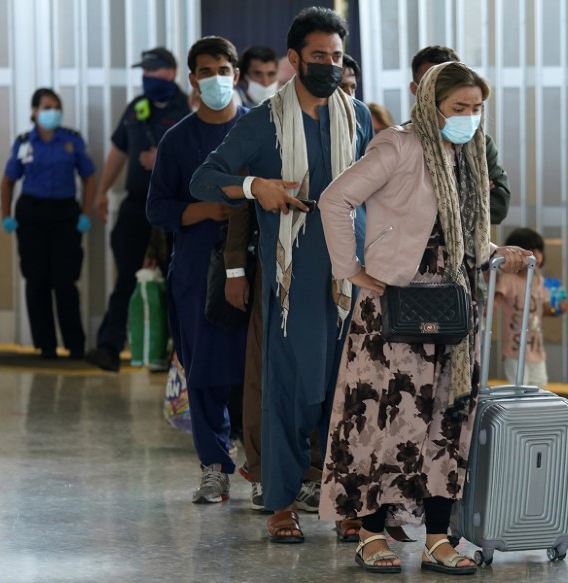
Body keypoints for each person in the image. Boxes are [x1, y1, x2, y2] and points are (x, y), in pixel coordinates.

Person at [318, 60, 531, 575]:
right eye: (460, 108)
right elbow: (334, 198)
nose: (470, 118)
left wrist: (496, 253)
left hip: (454, 302)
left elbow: (465, 233)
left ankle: (438, 536)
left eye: (477, 108)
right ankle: (370, 533)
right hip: (395, 303)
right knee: (384, 416)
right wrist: (351, 268)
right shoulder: (398, 144)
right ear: (432, 104)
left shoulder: (470, 153)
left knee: (447, 419)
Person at [190, 6, 372, 543]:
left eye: (336, 57)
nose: (329, 66)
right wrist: (255, 188)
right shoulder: (263, 121)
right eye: (319, 56)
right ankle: (283, 502)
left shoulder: (357, 116)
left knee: (347, 393)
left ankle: (345, 503)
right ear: (294, 59)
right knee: (293, 393)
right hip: (294, 280)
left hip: (350, 279)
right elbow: (205, 179)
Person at [146, 36, 249, 504]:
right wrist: (206, 210)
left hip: (254, 264)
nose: (215, 79)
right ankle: (214, 466)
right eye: (205, 72)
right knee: (205, 367)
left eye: (223, 70)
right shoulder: (177, 139)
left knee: (254, 369)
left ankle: (265, 466)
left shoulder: (257, 129)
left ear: (237, 74)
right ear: (192, 79)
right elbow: (158, 208)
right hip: (195, 270)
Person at [85, 47, 190, 371]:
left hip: (175, 208)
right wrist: (101, 192)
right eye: (144, 70)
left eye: (154, 70)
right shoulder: (137, 109)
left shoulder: (188, 107)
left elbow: (202, 155)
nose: (147, 76)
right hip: (136, 206)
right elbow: (119, 151)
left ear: (171, 72)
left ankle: (179, 354)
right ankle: (109, 347)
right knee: (127, 279)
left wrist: (165, 158)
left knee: (179, 282)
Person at [0, 88, 96, 359]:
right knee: (36, 280)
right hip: (32, 214)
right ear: (34, 111)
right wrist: (5, 216)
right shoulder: (23, 142)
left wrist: (85, 214)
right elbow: (7, 181)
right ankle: (46, 346)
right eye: (46, 107)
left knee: (65, 281)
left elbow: (89, 177)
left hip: (65, 214)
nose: (52, 111)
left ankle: (75, 345)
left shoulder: (72, 140)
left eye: (55, 106)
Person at [409, 45, 511, 225]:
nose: (440, 91)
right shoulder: (402, 142)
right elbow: (404, 206)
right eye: (431, 85)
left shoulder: (481, 145)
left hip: (469, 250)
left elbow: (498, 207)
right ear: (416, 90)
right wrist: (471, 190)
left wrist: (438, 194)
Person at [494, 227, 567, 388]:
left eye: (540, 250)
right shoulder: (508, 280)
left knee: (539, 386)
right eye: (532, 250)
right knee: (519, 388)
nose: (538, 256)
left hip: (536, 349)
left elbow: (545, 309)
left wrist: (558, 309)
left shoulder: (540, 282)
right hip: (514, 348)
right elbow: (494, 302)